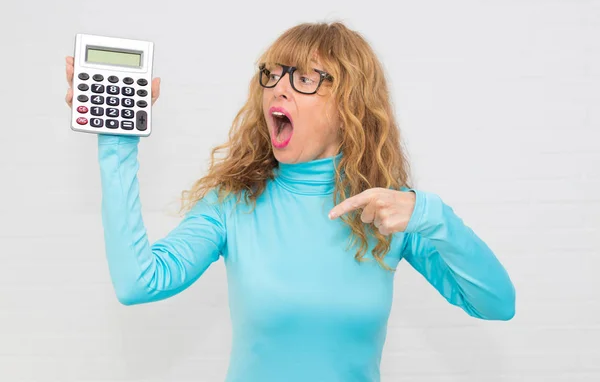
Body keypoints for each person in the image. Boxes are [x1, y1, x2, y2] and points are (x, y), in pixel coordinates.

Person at [64, 21, 515, 382]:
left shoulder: (387, 212)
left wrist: (429, 215)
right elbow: (138, 283)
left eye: (304, 79)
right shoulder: (233, 204)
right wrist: (116, 144)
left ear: (349, 105)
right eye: (273, 75)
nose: (278, 88)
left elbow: (497, 304)